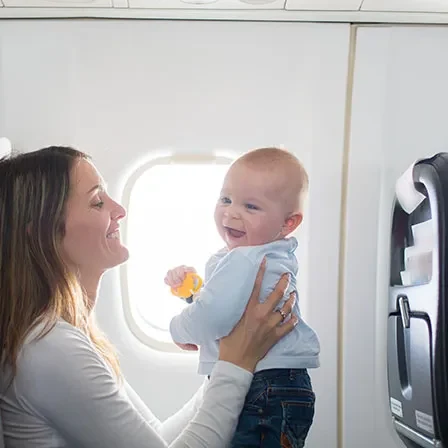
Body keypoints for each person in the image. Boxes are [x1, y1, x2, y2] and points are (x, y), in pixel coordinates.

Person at [0, 146, 298, 448]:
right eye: (97, 201)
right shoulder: (50, 348)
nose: (119, 210)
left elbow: (157, 438)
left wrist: (231, 354)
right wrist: (236, 363)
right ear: (41, 232)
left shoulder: (72, 335)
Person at [165, 147, 320, 447]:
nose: (231, 212)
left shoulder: (245, 259)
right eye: (226, 199)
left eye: (250, 206)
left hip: (262, 387)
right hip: (282, 386)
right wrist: (193, 291)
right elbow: (232, 306)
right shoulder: (267, 254)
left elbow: (215, 316)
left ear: (288, 223)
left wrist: (178, 329)